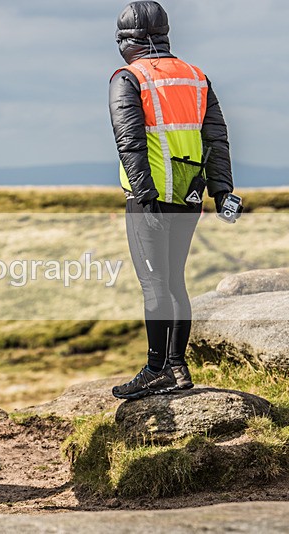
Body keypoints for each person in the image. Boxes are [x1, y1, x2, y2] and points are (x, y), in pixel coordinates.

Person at [109, 1, 238, 400]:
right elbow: (216, 138)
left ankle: (155, 369)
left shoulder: (128, 78)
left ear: (128, 40)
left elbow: (129, 142)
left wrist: (145, 197)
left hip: (149, 200)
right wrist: (223, 192)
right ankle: (178, 366)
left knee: (154, 285)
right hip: (189, 196)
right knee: (175, 281)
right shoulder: (197, 78)